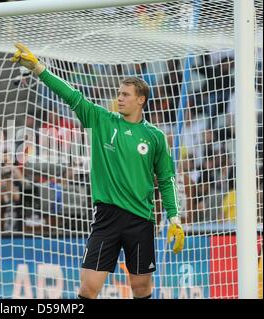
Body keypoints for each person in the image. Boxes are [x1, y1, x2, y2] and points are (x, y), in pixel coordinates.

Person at [10, 43, 185, 299]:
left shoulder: (155, 136)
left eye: (125, 94)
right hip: (107, 218)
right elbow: (71, 95)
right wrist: (38, 68)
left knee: (141, 289)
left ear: (140, 99)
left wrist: (174, 218)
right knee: (88, 287)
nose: (119, 98)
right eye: (118, 93)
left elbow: (167, 180)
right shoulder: (102, 119)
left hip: (141, 220)